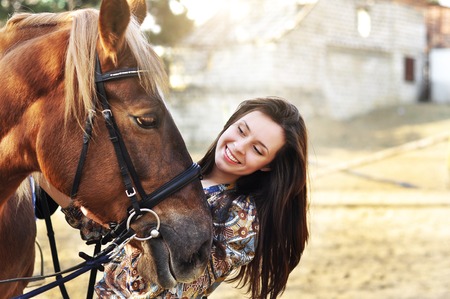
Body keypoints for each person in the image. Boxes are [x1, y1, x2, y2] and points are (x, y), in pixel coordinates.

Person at [39, 96, 309, 299]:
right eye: (241, 130)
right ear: (231, 122)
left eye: (258, 149)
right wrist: (40, 169)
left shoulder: (243, 217)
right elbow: (103, 227)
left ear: (268, 165)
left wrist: (138, 232)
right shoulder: (178, 178)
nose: (238, 147)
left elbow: (179, 284)